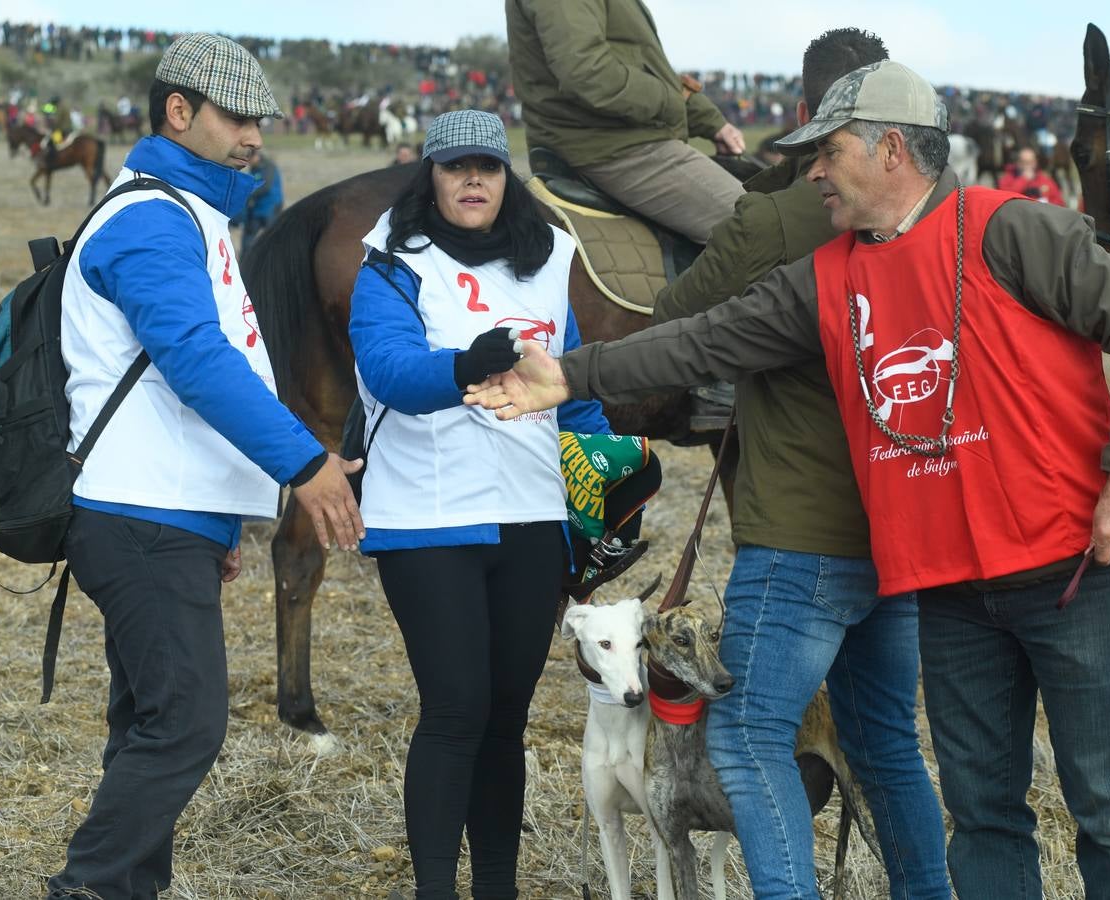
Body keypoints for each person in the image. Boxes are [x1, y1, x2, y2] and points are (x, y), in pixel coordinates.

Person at [465, 60, 1110, 900]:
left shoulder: (1008, 230)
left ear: (888, 150)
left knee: (1107, 804)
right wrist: (571, 376)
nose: (809, 172)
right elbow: (702, 340)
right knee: (983, 809)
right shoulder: (828, 276)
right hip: (949, 589)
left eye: (825, 152)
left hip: (1071, 571)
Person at [45, 32, 364, 900]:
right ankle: (89, 888)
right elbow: (193, 358)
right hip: (138, 516)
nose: (254, 136)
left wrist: (218, 520)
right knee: (183, 728)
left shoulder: (189, 212)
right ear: (178, 112)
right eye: (237, 118)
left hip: (164, 517)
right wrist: (305, 463)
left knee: (150, 723)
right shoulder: (151, 216)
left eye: (259, 118)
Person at [649, 30, 948, 899]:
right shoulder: (944, 212)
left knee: (745, 736)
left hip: (799, 531)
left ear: (809, 119)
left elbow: (675, 318)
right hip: (901, 517)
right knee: (885, 740)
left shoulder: (778, 217)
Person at [351, 108, 640, 900]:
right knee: (455, 709)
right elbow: (385, 372)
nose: (472, 178)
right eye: (454, 167)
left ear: (505, 176)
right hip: (425, 519)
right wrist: (464, 363)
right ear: (431, 177)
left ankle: (497, 889)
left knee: (506, 718)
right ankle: (437, 889)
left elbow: (568, 389)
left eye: (487, 165)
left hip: (530, 517)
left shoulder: (548, 259)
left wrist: (607, 485)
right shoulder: (389, 262)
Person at [505, 0, 746, 244]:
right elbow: (587, 73)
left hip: (619, 138)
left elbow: (639, 62)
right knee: (760, 225)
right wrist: (672, 103)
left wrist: (710, 121)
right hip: (610, 147)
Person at [237, 147, 283, 255]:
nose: (248, 163)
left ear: (255, 156)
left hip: (270, 208)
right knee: (247, 240)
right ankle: (244, 264)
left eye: (249, 160)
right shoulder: (254, 169)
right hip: (256, 209)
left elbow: (265, 186)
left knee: (273, 240)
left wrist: (249, 194)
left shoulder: (269, 167)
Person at [997, 145, 1065, 206]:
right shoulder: (1008, 178)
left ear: (1035, 162)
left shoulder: (1044, 179)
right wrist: (1023, 180)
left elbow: (1059, 202)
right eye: (1023, 162)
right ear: (1017, 162)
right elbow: (1006, 199)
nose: (1027, 166)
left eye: (1030, 162)